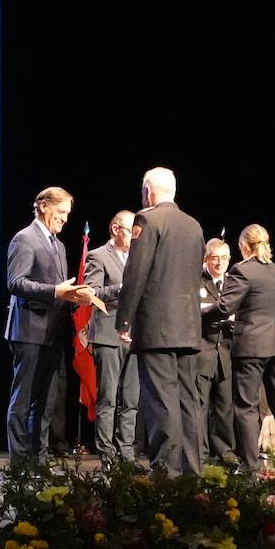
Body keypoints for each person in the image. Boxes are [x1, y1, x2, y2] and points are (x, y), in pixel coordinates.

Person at [115, 167, 206, 475]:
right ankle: (192, 470)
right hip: (189, 327)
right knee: (187, 401)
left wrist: (123, 320)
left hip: (157, 326)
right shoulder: (194, 225)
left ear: (148, 193)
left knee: (161, 400)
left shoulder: (147, 219)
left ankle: (167, 473)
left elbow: (135, 275)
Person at [5, 187, 96, 461]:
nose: (65, 219)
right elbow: (16, 283)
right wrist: (55, 291)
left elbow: (60, 290)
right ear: (44, 206)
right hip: (30, 330)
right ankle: (20, 464)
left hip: (53, 334)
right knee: (23, 401)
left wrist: (75, 297)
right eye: (61, 212)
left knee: (45, 403)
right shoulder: (24, 239)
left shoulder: (59, 245)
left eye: (68, 214)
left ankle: (39, 460)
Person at [217, 224, 275, 471]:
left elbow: (224, 307)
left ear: (244, 245)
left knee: (246, 405)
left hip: (252, 346)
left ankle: (251, 464)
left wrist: (197, 312)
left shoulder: (243, 270)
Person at [84, 210, 138, 464]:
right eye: (131, 231)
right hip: (108, 333)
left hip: (134, 336)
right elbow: (91, 293)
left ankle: (126, 454)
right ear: (116, 229)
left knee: (131, 399)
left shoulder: (137, 257)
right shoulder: (98, 256)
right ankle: (107, 455)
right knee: (108, 397)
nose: (134, 238)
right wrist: (122, 287)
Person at [197, 238, 237, 462]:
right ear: (206, 259)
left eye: (224, 258)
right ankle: (200, 452)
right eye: (215, 258)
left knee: (224, 405)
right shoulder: (197, 281)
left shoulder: (233, 283)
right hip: (203, 351)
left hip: (226, 354)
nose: (220, 262)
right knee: (200, 406)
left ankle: (224, 450)